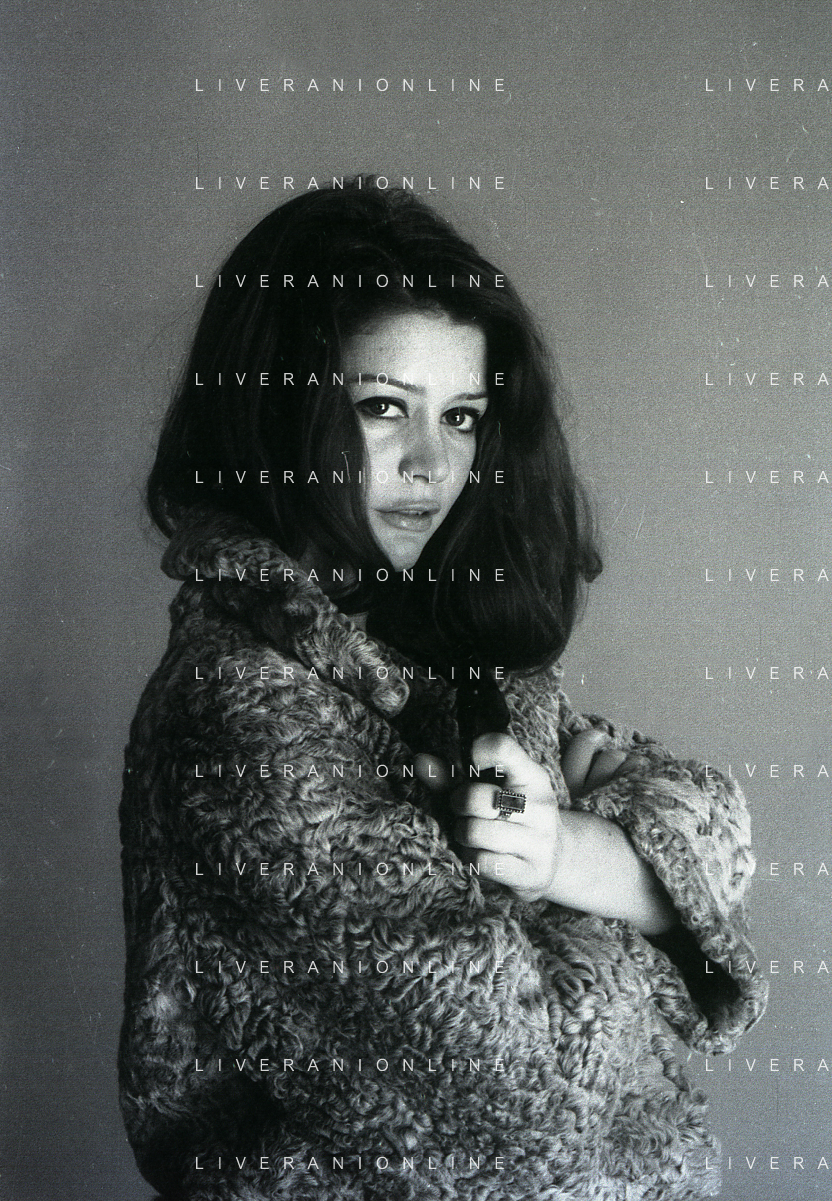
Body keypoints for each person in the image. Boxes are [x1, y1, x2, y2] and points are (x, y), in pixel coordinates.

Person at [118, 178, 767, 1201]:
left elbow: (720, 820)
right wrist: (629, 891)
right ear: (275, 411)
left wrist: (570, 852)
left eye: (461, 416)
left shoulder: (442, 658)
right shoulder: (244, 719)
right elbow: (541, 1117)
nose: (432, 464)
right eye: (383, 408)